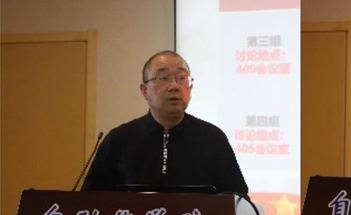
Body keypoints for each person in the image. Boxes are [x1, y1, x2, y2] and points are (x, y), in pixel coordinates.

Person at [82, 50, 248, 193]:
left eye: (181, 78)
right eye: (164, 78)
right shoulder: (119, 140)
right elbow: (91, 201)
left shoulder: (213, 138)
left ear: (190, 87)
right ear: (144, 90)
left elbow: (237, 199)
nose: (174, 86)